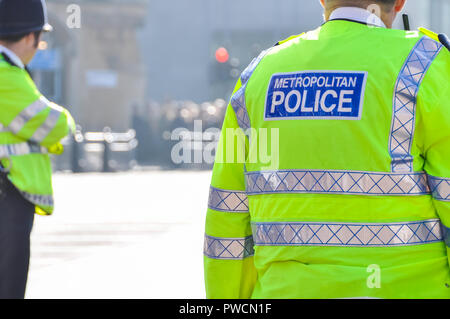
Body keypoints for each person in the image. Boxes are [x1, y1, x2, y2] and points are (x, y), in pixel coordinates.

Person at [204, 0, 450, 299]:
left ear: (322, 0)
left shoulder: (257, 76)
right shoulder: (426, 66)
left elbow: (226, 214)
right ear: (399, 2)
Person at [0, 0, 75, 298]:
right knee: (9, 285)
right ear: (31, 37)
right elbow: (54, 124)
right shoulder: (7, 75)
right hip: (9, 194)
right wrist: (68, 119)